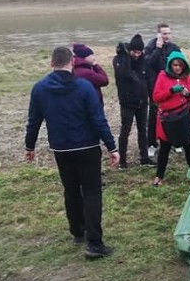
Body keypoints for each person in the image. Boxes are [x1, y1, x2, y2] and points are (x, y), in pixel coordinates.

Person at [24, 46, 120, 259]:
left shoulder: (39, 88)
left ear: (51, 64)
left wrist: (29, 147)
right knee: (92, 192)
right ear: (73, 63)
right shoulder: (84, 87)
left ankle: (78, 231)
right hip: (86, 147)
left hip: (62, 149)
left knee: (71, 190)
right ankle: (94, 243)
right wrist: (112, 147)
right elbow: (98, 120)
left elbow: (34, 121)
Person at [151, 51, 190, 187]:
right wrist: (171, 91)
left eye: (180, 65)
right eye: (174, 65)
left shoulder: (188, 79)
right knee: (164, 148)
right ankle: (159, 176)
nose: (177, 68)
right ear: (169, 65)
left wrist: (188, 94)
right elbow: (156, 97)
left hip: (184, 117)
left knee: (189, 146)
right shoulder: (162, 77)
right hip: (167, 119)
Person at [112, 34, 154, 169]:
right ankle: (122, 161)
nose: (137, 55)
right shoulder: (119, 60)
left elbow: (147, 79)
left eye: (139, 52)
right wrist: (124, 56)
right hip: (127, 102)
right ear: (129, 50)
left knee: (143, 130)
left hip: (142, 101)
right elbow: (124, 74)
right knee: (125, 130)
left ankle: (144, 158)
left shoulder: (143, 60)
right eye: (134, 52)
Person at [144, 23, 181, 157]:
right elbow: (149, 64)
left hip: (171, 84)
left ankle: (174, 141)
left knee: (174, 113)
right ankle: (152, 144)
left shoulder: (174, 47)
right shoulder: (150, 47)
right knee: (154, 115)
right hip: (155, 85)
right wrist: (158, 48)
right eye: (164, 33)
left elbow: (180, 64)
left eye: (168, 33)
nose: (166, 36)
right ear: (158, 34)